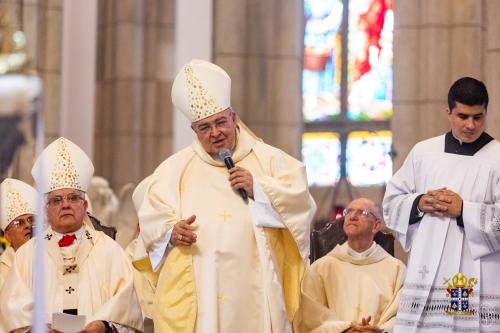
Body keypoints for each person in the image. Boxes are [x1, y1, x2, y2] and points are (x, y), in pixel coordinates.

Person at [137, 59, 316, 332]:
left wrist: (260, 189)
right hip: (199, 288)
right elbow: (152, 217)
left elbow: (301, 204)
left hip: (255, 286)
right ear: (194, 131)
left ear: (233, 117)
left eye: (221, 122)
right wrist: (170, 232)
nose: (216, 133)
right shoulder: (174, 169)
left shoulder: (270, 160)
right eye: (205, 127)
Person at [383, 77, 500, 332]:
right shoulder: (424, 153)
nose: (470, 125)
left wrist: (464, 211)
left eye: (478, 117)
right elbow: (391, 202)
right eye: (462, 116)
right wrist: (418, 203)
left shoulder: (497, 157)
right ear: (448, 112)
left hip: (478, 272)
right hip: (428, 268)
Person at [0, 137, 143, 332]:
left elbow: (127, 309)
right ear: (46, 209)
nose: (65, 204)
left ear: (84, 206)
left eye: (73, 198)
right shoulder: (27, 256)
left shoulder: (109, 251)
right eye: (57, 200)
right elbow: (13, 313)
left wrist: (105, 326)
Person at [293, 198, 405, 333]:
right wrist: (344, 329)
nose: (352, 217)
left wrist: (380, 331)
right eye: (348, 211)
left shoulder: (396, 269)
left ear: (376, 225)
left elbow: (404, 316)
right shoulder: (320, 268)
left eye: (362, 212)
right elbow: (309, 319)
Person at [0, 178, 36, 288]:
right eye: (19, 223)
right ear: (7, 236)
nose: (27, 225)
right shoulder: (2, 273)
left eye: (31, 219)